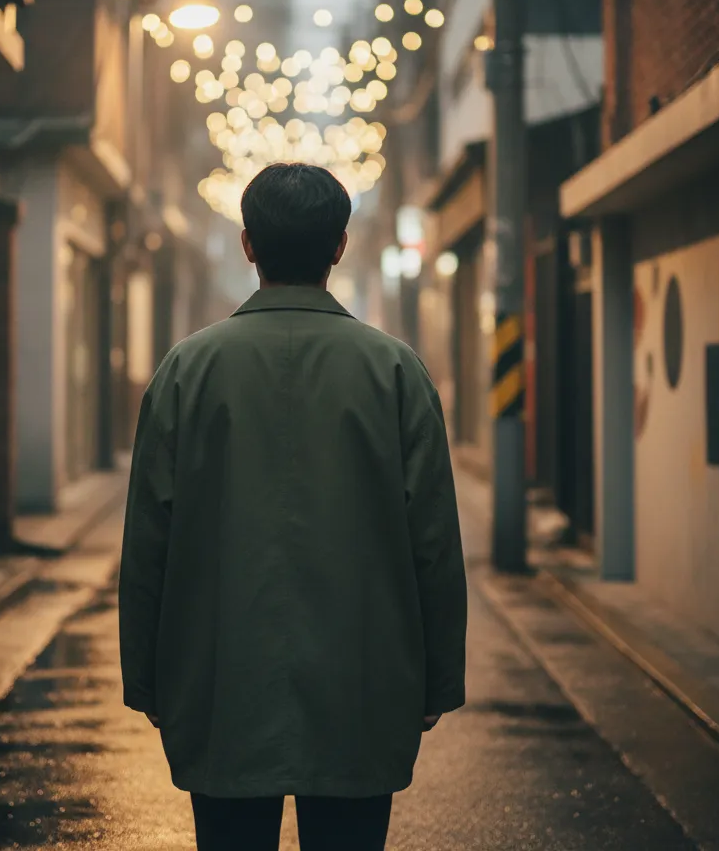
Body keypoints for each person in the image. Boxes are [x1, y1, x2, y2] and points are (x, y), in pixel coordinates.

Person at [119, 163, 468, 851]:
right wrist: (436, 680)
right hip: (363, 682)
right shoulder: (395, 372)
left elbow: (147, 544)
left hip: (220, 680)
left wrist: (149, 680)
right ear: (339, 247)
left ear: (249, 245)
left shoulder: (187, 371)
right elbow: (434, 541)